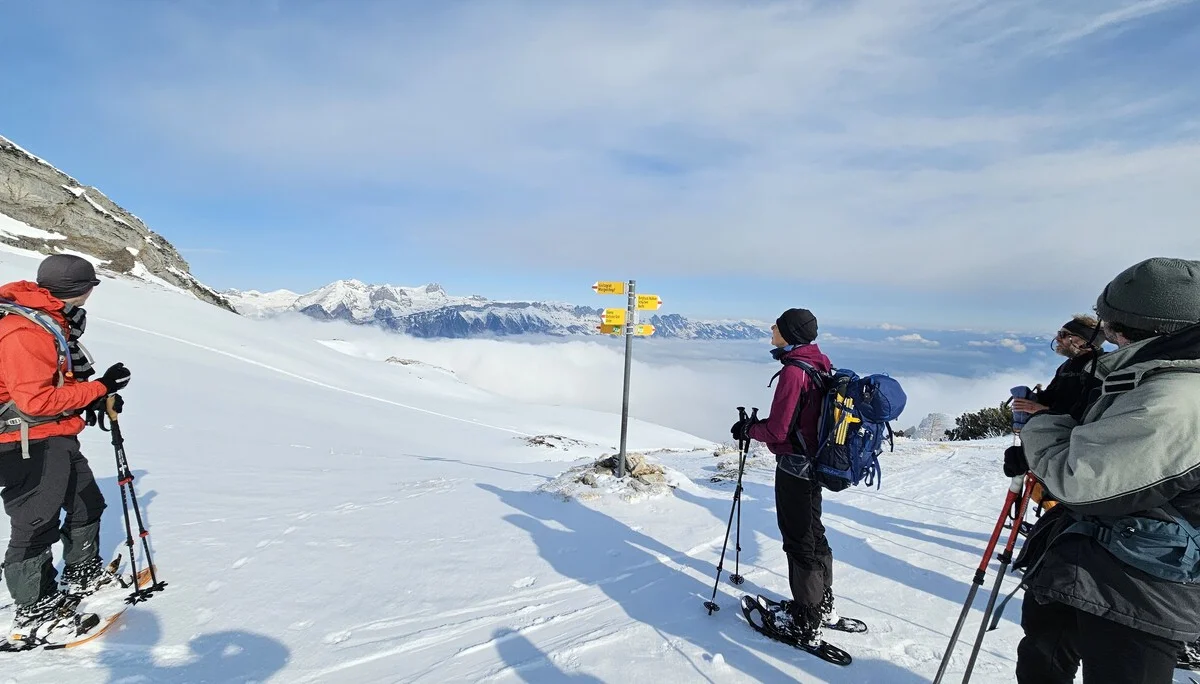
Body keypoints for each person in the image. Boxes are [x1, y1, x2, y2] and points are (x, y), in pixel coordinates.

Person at [1006, 257, 1200, 684]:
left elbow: (1082, 478)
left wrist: (1039, 427)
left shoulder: (1173, 398)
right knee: (1043, 652)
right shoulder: (1153, 377)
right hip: (1100, 561)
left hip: (1140, 587)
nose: (1105, 331)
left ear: (1131, 327)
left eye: (1109, 322)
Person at [0, 254, 131, 644]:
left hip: (53, 434)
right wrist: (100, 388)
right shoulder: (23, 330)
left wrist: (87, 399)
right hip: (23, 442)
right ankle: (34, 610)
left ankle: (82, 571)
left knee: (87, 502)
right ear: (81, 289)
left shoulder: (49, 319)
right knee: (35, 522)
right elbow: (35, 401)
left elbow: (51, 384)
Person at [730, 307, 833, 647]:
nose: (772, 328)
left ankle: (805, 617)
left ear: (791, 333)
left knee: (798, 537)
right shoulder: (820, 362)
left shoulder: (794, 372)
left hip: (795, 467)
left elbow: (778, 429)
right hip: (816, 463)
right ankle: (819, 604)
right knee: (813, 531)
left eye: (778, 325)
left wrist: (748, 429)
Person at [1011, 314, 1106, 515]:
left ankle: (1058, 519)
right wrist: (1033, 401)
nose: (1058, 339)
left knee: (1057, 493)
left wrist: (1042, 410)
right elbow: (1054, 397)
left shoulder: (1099, 368)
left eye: (1064, 334)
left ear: (1083, 340)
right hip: (1052, 438)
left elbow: (1089, 412)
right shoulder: (1067, 366)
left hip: (1073, 447)